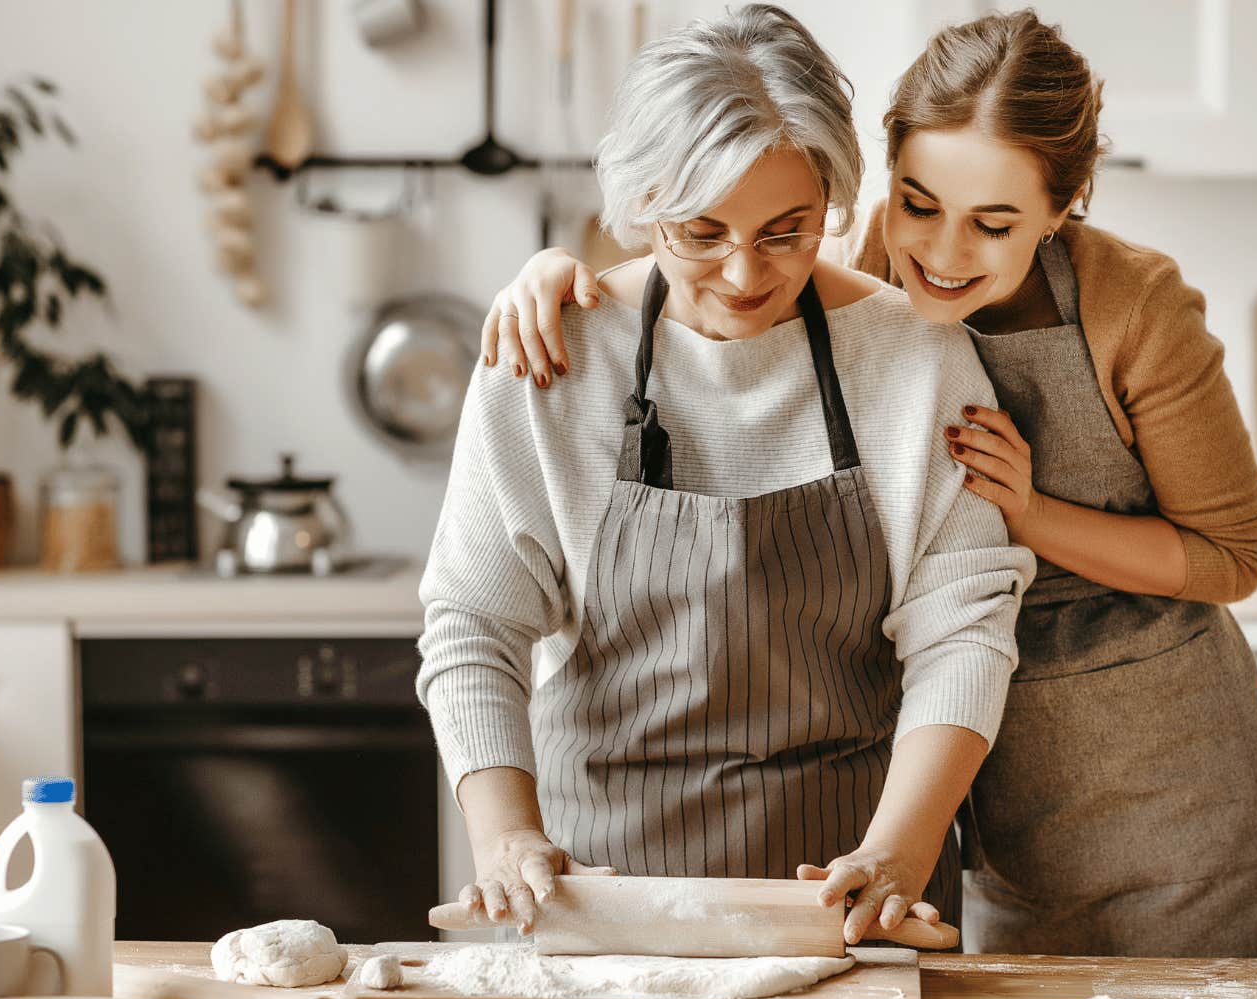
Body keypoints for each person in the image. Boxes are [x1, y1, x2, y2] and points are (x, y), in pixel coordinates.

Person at [475, 8, 1257, 958]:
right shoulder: (866, 272)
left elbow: (1230, 557)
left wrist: (1028, 514)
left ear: (1066, 205)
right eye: (920, 204)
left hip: (1155, 761)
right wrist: (560, 278)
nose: (944, 255)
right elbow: (721, 248)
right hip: (975, 765)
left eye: (994, 224)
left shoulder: (1130, 309)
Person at [418, 4, 1032, 947]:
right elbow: (474, 622)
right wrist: (505, 838)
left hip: (852, 898)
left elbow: (963, 629)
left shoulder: (915, 360)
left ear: (832, 200)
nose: (746, 274)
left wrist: (900, 855)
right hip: (600, 900)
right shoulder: (550, 356)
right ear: (641, 206)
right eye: (701, 234)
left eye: (788, 232)